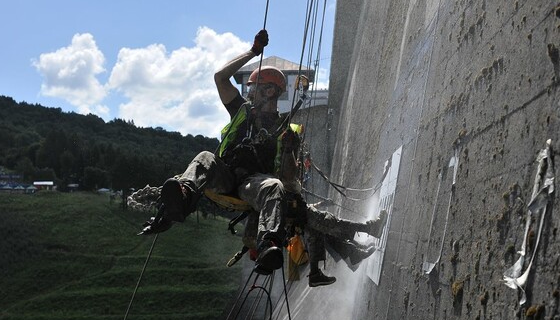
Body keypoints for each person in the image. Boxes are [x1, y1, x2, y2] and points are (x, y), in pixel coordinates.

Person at [138, 29, 388, 287]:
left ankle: (269, 243)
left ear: (269, 91)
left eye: (253, 87)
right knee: (204, 157)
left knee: (274, 187)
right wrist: (253, 52)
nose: (248, 92)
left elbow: (290, 182)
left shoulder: (286, 129)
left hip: (253, 185)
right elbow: (220, 77)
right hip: (225, 175)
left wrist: (290, 149)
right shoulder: (241, 111)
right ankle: (182, 196)